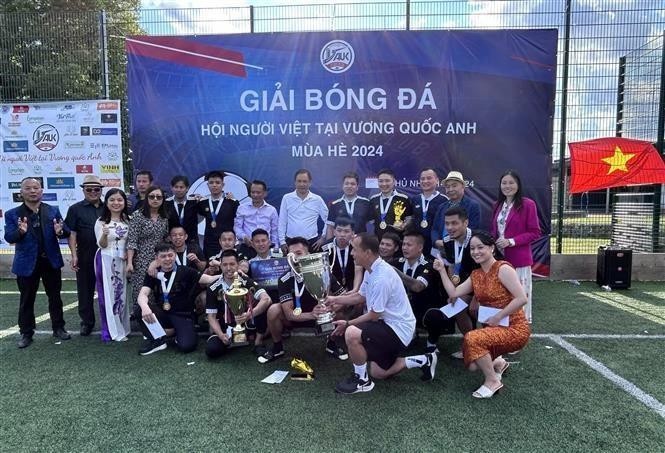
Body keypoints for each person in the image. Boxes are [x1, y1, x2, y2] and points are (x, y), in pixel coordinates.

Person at [325, 233, 437, 395]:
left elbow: (373, 316)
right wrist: (334, 299)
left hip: (398, 330)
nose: (351, 253)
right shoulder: (372, 269)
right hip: (386, 324)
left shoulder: (381, 277)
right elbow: (360, 296)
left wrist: (348, 323)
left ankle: (362, 381)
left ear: (367, 253)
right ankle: (424, 360)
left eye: (354, 250)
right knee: (379, 373)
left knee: (352, 333)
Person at [433, 231, 530, 398]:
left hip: (514, 329)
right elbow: (454, 292)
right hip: (492, 330)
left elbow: (522, 298)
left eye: (480, 247)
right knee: (471, 365)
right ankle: (499, 363)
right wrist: (442, 271)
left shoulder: (503, 268)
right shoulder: (476, 274)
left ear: (492, 248)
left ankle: (492, 381)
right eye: (472, 249)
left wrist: (499, 316)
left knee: (471, 338)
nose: (476, 252)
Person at [4, 177, 71, 348]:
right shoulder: (12, 214)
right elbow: (9, 237)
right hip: (26, 264)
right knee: (27, 299)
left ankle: (59, 328)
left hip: (51, 261)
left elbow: (66, 232)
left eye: (36, 188)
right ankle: (26, 333)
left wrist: (60, 231)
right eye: (28, 188)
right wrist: (20, 232)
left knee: (55, 297)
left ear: (41, 191)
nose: (33, 191)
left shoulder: (53, 210)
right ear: (21, 192)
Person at [257, 237, 344, 363]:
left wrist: (329, 309)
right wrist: (312, 314)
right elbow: (288, 314)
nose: (295, 258)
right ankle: (277, 348)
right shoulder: (284, 279)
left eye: (299, 254)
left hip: (321, 318)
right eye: (291, 255)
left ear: (308, 254)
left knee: (340, 310)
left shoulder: (323, 272)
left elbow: (343, 296)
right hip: (295, 319)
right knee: (273, 310)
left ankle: (332, 344)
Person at [137, 242, 223, 355]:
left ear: (175, 255)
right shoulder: (153, 273)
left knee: (187, 346)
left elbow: (209, 279)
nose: (167, 259)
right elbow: (143, 294)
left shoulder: (186, 271)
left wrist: (231, 274)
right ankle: (158, 340)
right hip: (163, 313)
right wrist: (144, 307)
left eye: (170, 255)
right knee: (139, 309)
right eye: (163, 256)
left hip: (183, 315)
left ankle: (175, 332)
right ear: (156, 258)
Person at [425, 206, 477, 357]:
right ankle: (472, 345)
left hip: (488, 285)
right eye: (447, 223)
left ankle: (486, 346)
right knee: (456, 305)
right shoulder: (447, 242)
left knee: (477, 310)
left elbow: (487, 272)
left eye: (454, 223)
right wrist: (453, 291)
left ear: (465, 222)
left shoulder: (477, 240)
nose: (449, 227)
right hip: (466, 285)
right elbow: (452, 266)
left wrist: (476, 298)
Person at [490, 170, 541, 323]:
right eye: (504, 183)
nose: (507, 186)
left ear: (518, 185)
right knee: (502, 296)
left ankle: (519, 331)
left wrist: (511, 241)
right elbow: (494, 230)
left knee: (518, 298)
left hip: (519, 260)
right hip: (499, 260)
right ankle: (503, 330)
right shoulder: (497, 205)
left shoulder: (528, 204)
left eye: (511, 182)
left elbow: (535, 232)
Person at [205, 250, 272, 359]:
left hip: (248, 324)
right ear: (220, 266)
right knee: (212, 350)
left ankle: (258, 342)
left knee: (263, 306)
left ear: (237, 265)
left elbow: (266, 299)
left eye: (232, 264)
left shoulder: (246, 282)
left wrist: (250, 314)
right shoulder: (212, 288)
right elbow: (211, 317)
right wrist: (221, 336)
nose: (228, 268)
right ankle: (230, 339)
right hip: (225, 328)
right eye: (225, 264)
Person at [65, 174, 105, 336]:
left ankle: (111, 321)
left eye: (97, 189)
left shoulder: (108, 206)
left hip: (107, 256)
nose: (93, 192)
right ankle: (87, 322)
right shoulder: (75, 209)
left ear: (101, 190)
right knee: (85, 290)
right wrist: (74, 255)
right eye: (89, 189)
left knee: (109, 290)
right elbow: (72, 233)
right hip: (85, 255)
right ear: (83, 190)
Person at [94, 188, 131, 342]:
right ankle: (113, 330)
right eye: (112, 200)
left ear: (124, 202)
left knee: (122, 295)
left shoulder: (128, 220)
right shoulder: (101, 221)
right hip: (106, 260)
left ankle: (123, 327)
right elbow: (101, 245)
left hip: (122, 261)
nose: (116, 203)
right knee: (110, 296)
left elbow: (131, 242)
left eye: (119, 200)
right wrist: (104, 234)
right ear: (107, 202)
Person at [126, 185, 169, 312]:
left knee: (159, 287)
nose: (155, 199)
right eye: (152, 196)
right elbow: (132, 241)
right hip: (141, 259)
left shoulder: (164, 217)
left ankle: (157, 316)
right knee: (142, 288)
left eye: (158, 197)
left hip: (160, 259)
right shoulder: (138, 216)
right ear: (147, 199)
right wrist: (129, 262)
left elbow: (165, 237)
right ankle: (141, 315)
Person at [391, 231, 444, 330]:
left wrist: (396, 272)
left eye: (409, 245)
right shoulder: (397, 262)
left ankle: (431, 343)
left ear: (420, 248)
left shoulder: (429, 265)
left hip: (424, 308)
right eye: (403, 244)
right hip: (402, 308)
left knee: (434, 316)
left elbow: (418, 287)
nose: (404, 248)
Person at [278, 169, 328, 254]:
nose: (302, 184)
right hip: (291, 242)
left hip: (312, 243)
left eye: (305, 181)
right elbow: (282, 221)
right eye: (299, 181)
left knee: (311, 267)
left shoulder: (317, 199)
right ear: (295, 182)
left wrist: (323, 237)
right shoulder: (287, 198)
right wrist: (282, 241)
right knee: (292, 267)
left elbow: (328, 220)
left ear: (310, 182)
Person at [431, 171, 481, 253]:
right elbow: (435, 229)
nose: (450, 189)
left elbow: (473, 229)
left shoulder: (473, 205)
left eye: (454, 186)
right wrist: (436, 241)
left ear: (463, 186)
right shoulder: (441, 207)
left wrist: (452, 243)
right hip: (440, 251)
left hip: (462, 251)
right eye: (447, 187)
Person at [197, 170, 239, 259]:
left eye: (217, 182)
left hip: (227, 243)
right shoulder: (202, 203)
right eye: (211, 183)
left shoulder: (232, 202)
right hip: (210, 244)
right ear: (207, 185)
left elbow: (239, 223)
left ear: (223, 185)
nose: (214, 185)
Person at [234, 179, 279, 256]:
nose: (255, 195)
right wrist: (244, 237)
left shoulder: (272, 210)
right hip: (247, 246)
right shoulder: (242, 208)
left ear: (265, 193)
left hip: (266, 248)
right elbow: (237, 227)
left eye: (258, 192)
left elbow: (274, 231)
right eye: (253, 192)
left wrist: (275, 249)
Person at [410, 167, 447, 256]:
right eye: (422, 179)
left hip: (435, 246)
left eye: (429, 178)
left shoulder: (444, 200)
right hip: (417, 246)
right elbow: (411, 219)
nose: (425, 181)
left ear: (437, 180)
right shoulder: (415, 199)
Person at [322, 217, 363, 292]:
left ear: (353, 233)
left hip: (353, 284)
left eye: (346, 231)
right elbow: (324, 275)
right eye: (339, 231)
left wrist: (355, 290)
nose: (342, 234)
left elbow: (358, 270)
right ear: (334, 232)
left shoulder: (357, 246)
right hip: (332, 287)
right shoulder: (325, 249)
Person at [369, 168, 413, 239]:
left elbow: (409, 217)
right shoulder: (373, 199)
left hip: (397, 240)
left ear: (394, 182)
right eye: (381, 181)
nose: (384, 184)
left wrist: (404, 225)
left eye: (387, 181)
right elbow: (371, 219)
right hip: (378, 240)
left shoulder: (403, 199)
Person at [326, 171, 372, 237]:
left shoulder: (366, 203)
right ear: (342, 186)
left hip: (360, 243)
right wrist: (329, 245)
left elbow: (371, 225)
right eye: (346, 184)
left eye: (352, 184)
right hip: (341, 242)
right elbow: (330, 227)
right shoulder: (335, 205)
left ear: (357, 187)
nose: (349, 186)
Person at [166, 175, 199, 242]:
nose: (178, 190)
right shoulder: (166, 203)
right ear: (171, 188)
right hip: (172, 242)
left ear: (187, 188)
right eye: (176, 187)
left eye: (181, 187)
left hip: (191, 242)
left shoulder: (195, 202)